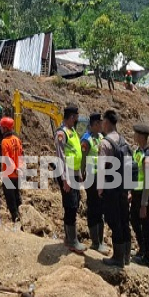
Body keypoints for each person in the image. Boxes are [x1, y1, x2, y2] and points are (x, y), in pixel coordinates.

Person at [99, 109, 132, 267]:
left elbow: (101, 168)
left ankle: (118, 258)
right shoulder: (124, 141)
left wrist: (100, 188)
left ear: (106, 122)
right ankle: (126, 256)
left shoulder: (105, 143)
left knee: (114, 221)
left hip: (111, 188)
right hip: (123, 188)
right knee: (124, 220)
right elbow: (130, 166)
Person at [55, 105, 86, 253]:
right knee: (70, 205)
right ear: (71, 117)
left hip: (74, 173)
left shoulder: (72, 131)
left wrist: (78, 172)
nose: (77, 120)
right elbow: (61, 156)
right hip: (66, 174)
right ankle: (72, 241)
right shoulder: (61, 133)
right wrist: (65, 179)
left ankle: (69, 238)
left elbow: (76, 152)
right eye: (76, 117)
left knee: (74, 203)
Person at [81, 112, 109, 254]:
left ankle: (101, 240)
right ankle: (95, 242)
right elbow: (83, 159)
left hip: (100, 177)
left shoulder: (101, 137)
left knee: (101, 208)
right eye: (98, 123)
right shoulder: (86, 140)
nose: (101, 125)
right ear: (93, 124)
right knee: (93, 208)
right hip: (91, 178)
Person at [131, 123, 149, 267]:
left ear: (141, 136)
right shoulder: (137, 152)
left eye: (136, 134)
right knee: (134, 220)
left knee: (146, 225)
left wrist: (144, 204)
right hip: (136, 193)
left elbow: (147, 180)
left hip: (144, 195)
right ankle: (142, 249)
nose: (134, 136)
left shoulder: (147, 156)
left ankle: (148, 258)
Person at [0, 117, 23, 223]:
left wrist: (14, 169)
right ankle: (21, 215)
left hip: (9, 175)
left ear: (5, 128)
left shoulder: (5, 141)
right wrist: (19, 168)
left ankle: (16, 219)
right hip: (17, 174)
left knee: (10, 199)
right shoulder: (17, 140)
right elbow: (21, 155)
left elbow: (7, 159)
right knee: (16, 195)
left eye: (2, 128)